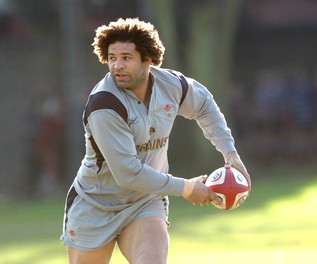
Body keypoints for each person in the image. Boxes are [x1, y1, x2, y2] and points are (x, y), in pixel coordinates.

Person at [60, 17, 251, 264]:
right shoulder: (105, 105)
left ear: (147, 59)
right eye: (112, 57)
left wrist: (230, 154)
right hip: (96, 204)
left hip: (145, 200)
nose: (117, 65)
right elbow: (128, 173)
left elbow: (204, 105)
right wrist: (187, 188)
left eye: (126, 58)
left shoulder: (171, 85)